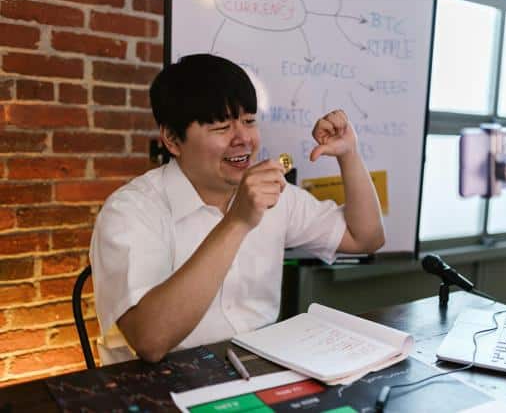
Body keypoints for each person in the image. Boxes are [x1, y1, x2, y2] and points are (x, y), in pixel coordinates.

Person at [89, 54, 385, 364]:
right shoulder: (131, 210)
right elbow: (150, 340)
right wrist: (237, 221)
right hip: (159, 385)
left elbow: (364, 238)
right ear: (173, 140)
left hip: (259, 367)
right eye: (220, 127)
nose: (243, 139)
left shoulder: (276, 194)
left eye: (249, 121)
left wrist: (349, 154)